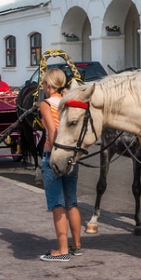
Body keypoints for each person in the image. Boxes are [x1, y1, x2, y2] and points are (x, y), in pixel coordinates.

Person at [38, 67, 82, 262]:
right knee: (72, 201)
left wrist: (55, 151)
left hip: (54, 155)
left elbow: (52, 129)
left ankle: (62, 250)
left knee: (57, 203)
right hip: (71, 156)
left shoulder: (46, 104)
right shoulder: (68, 102)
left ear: (48, 85)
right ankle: (76, 245)